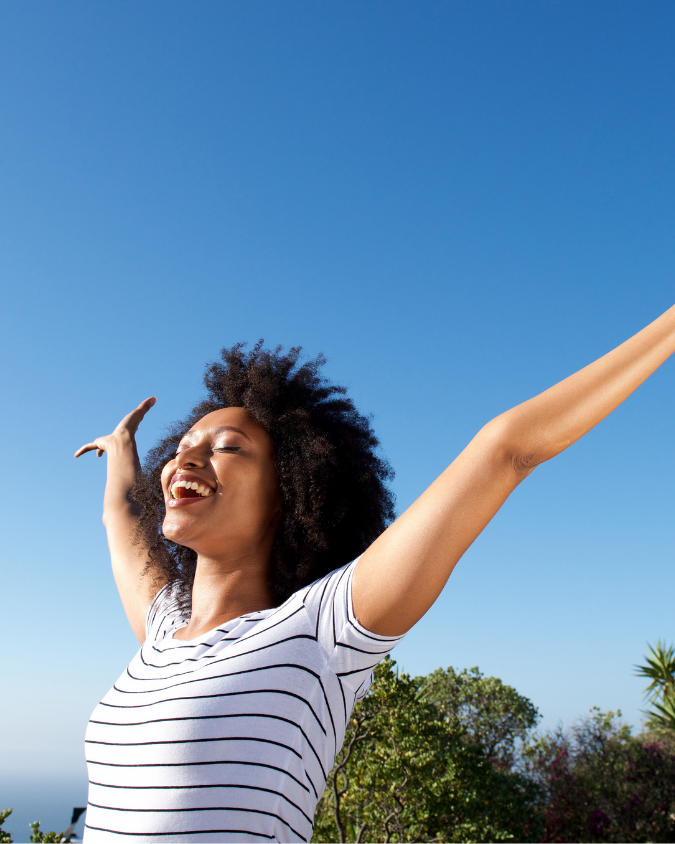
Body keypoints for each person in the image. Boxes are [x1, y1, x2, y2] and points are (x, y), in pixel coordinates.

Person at [75, 310, 675, 842]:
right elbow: (119, 516)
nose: (186, 457)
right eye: (181, 446)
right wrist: (123, 448)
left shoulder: (318, 631)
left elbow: (506, 450)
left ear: (289, 493)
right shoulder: (160, 629)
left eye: (227, 447)